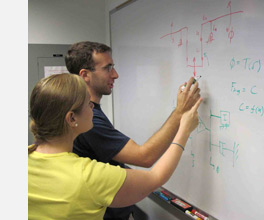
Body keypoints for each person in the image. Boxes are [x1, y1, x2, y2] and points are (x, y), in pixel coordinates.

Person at [28, 73, 202, 220]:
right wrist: (184, 129)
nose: (92, 108)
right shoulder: (88, 176)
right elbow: (156, 177)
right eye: (88, 103)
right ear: (72, 118)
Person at [65, 41, 201, 219]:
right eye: (108, 68)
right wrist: (180, 113)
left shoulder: (86, 112)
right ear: (85, 75)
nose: (115, 75)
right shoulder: (89, 122)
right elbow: (144, 157)